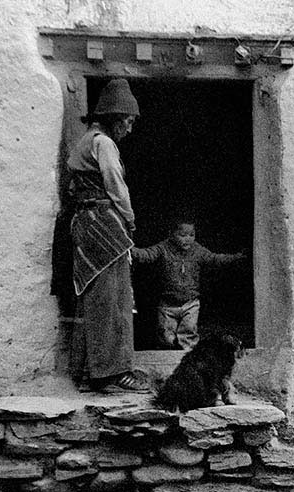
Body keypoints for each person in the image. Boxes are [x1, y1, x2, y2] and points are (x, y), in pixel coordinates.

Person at [65, 79, 149, 393]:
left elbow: (74, 187)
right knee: (113, 299)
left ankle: (89, 370)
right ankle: (112, 372)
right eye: (127, 121)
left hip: (86, 224)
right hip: (104, 223)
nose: (129, 127)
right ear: (115, 118)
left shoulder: (84, 140)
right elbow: (116, 186)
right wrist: (129, 219)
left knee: (95, 298)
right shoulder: (104, 143)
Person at [131, 219, 247, 350]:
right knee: (165, 335)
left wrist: (235, 257)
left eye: (191, 235)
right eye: (182, 235)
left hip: (190, 302)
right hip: (167, 304)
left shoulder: (197, 250)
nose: (188, 239)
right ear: (171, 234)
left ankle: (188, 355)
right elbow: (147, 254)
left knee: (189, 331)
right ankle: (168, 355)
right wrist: (131, 250)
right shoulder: (163, 248)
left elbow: (214, 258)